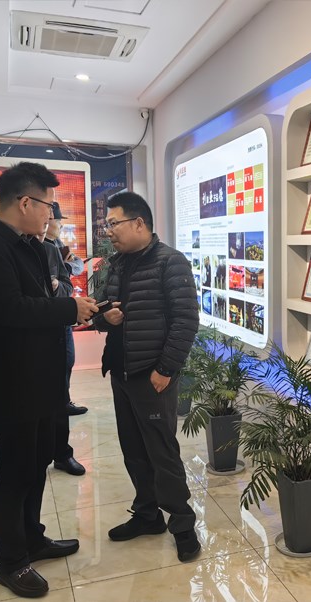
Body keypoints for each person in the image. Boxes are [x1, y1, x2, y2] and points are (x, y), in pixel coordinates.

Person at [0, 162, 98, 598]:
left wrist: (71, 304)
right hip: (12, 386)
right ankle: (10, 561)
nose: (50, 215)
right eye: (47, 206)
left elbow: (44, 296)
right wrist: (68, 309)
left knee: (36, 464)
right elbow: (11, 310)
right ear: (24, 202)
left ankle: (31, 539)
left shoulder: (28, 245)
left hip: (40, 382)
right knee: (14, 471)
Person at [94, 191, 200, 563]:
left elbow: (186, 321)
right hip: (121, 372)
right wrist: (104, 318)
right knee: (134, 451)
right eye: (107, 224)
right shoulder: (117, 264)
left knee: (162, 452)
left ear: (139, 223)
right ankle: (147, 515)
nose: (109, 231)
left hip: (152, 375)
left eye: (114, 223)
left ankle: (183, 525)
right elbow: (101, 313)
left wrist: (165, 369)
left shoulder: (170, 261)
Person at [39, 218, 86, 477]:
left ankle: (62, 454)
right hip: (29, 341)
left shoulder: (53, 249)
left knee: (59, 395)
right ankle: (39, 454)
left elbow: (67, 284)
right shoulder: (6, 249)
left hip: (57, 330)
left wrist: (57, 287)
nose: (52, 223)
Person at [45, 202, 87, 417]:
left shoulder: (57, 244)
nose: (60, 225)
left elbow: (79, 265)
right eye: (58, 221)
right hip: (49, 315)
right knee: (58, 362)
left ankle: (63, 400)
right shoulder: (37, 246)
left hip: (62, 312)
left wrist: (66, 268)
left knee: (67, 359)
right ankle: (58, 403)